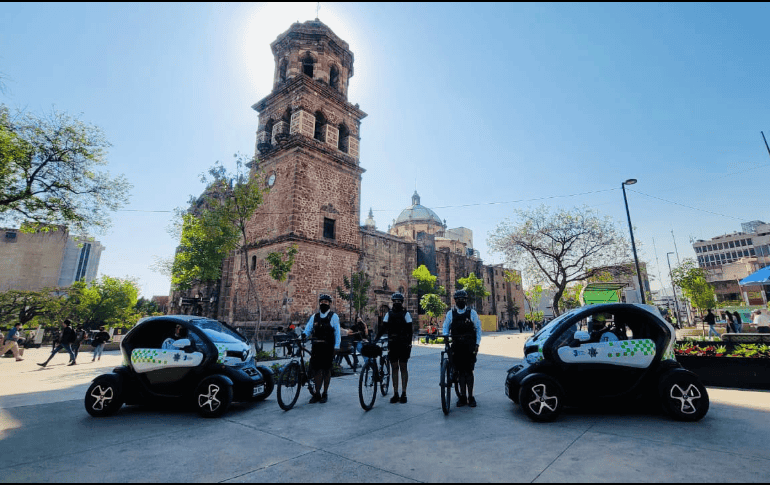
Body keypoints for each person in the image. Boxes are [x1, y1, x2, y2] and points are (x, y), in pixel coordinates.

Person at [442, 290, 482, 408]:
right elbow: (445, 326)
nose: (461, 301)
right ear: (455, 300)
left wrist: (477, 344)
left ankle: (471, 396)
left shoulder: (472, 313)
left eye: (463, 299)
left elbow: (478, 328)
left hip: (469, 346)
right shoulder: (451, 313)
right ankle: (463, 397)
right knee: (459, 372)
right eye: (458, 299)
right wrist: (445, 336)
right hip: (457, 346)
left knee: (469, 372)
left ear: (466, 300)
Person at [376, 292, 414, 404]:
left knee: (403, 367)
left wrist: (409, 343)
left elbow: (410, 330)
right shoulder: (389, 314)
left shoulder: (406, 314)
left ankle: (404, 393)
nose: (397, 303)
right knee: (394, 368)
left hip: (403, 344)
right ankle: (396, 393)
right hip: (393, 343)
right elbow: (383, 328)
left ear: (401, 302)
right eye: (395, 301)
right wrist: (376, 339)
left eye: (399, 301)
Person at [303, 294, 341, 404]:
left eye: (326, 302)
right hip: (316, 347)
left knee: (326, 370)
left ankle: (325, 393)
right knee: (317, 370)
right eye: (322, 301)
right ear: (319, 303)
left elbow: (337, 333)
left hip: (328, 347)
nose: (323, 303)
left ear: (330, 303)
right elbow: (308, 329)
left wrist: (337, 347)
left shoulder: (333, 317)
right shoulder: (314, 317)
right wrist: (303, 336)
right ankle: (317, 393)